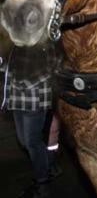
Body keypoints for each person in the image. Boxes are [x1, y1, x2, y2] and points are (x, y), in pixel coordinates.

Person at [2, 45, 61, 197]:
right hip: (16, 101)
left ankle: (42, 184)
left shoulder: (44, 44)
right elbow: (10, 69)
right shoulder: (16, 46)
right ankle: (50, 166)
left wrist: (24, 83)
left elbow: (53, 67)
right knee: (25, 142)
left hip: (35, 101)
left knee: (32, 143)